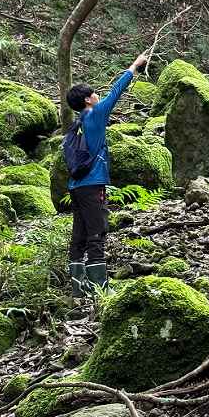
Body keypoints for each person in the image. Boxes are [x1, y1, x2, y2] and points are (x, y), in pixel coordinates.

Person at [65, 54, 147, 297]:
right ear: (88, 100)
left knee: (79, 234)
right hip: (92, 184)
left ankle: (78, 289)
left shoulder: (77, 122)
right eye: (94, 94)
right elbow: (116, 92)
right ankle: (101, 287)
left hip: (76, 185)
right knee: (97, 232)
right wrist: (135, 66)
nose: (98, 95)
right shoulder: (95, 114)